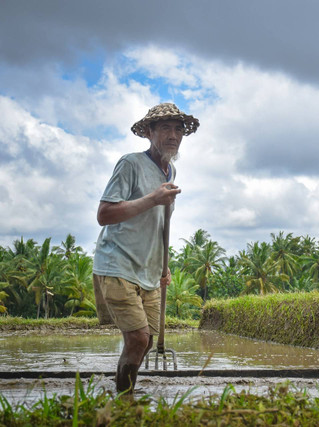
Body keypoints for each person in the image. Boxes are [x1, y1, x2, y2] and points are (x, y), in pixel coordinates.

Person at [92, 103, 199, 396]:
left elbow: (160, 222)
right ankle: (124, 400)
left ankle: (123, 391)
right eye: (165, 127)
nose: (173, 135)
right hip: (118, 264)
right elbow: (105, 214)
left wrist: (162, 265)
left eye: (178, 129)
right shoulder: (130, 164)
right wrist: (153, 198)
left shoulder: (169, 170)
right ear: (149, 132)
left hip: (148, 269)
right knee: (138, 339)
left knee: (147, 340)